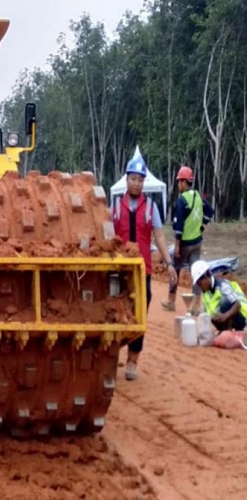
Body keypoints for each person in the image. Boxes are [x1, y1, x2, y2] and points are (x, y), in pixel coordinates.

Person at [111, 150, 177, 381]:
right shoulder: (115, 207)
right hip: (118, 271)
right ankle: (111, 357)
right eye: (133, 178)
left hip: (142, 272)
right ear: (126, 178)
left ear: (143, 182)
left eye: (140, 179)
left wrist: (168, 262)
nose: (137, 183)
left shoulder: (151, 207)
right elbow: (108, 237)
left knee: (139, 316)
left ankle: (132, 360)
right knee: (114, 312)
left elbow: (158, 236)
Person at [161, 165, 214, 314]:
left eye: (179, 181)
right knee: (196, 272)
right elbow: (210, 211)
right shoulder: (198, 196)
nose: (178, 185)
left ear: (184, 182)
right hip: (197, 242)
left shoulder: (182, 200)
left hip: (184, 244)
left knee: (175, 270)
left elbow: (179, 227)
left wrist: (177, 247)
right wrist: (202, 227)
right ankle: (196, 305)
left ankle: (171, 301)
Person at [191, 260, 247, 332]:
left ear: (206, 276)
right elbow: (206, 313)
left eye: (199, 283)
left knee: (224, 301)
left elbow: (237, 304)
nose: (199, 287)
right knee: (211, 313)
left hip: (242, 318)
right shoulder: (206, 293)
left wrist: (225, 316)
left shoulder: (222, 285)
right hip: (225, 321)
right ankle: (224, 331)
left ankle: (229, 332)